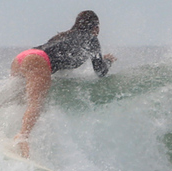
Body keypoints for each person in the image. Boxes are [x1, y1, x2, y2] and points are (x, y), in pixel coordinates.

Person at [8, 10, 116, 157]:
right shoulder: (91, 39)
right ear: (95, 28)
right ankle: (22, 137)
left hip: (23, 57)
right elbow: (100, 72)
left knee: (17, 96)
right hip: (37, 60)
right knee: (36, 104)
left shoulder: (63, 36)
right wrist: (108, 61)